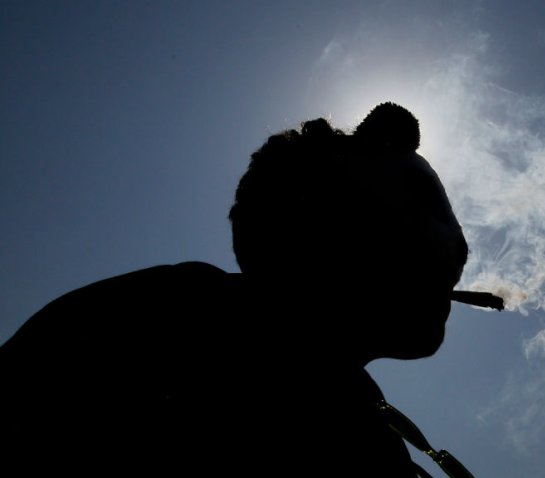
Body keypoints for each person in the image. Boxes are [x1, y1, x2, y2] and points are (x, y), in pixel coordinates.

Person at [0, 103, 471, 475]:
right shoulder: (169, 320)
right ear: (316, 215)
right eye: (427, 202)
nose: (460, 244)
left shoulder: (360, 415)